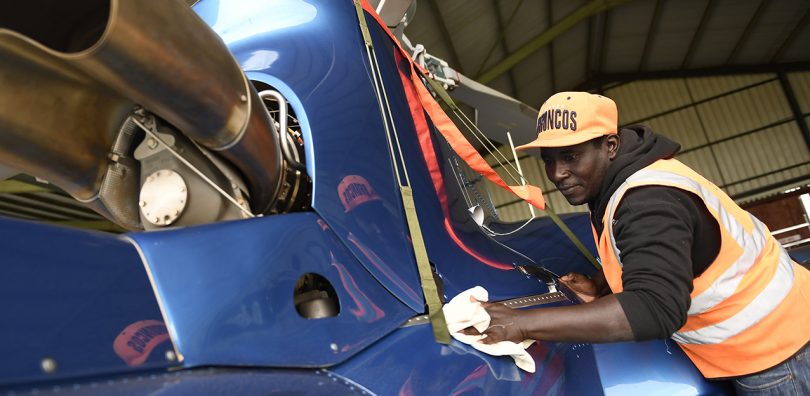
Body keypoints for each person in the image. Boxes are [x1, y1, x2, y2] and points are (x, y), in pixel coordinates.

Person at [462, 91, 810, 395]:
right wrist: (600, 283)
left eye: (570, 156)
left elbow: (655, 309)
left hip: (775, 349)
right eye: (549, 161)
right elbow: (658, 251)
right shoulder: (627, 180)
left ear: (609, 146)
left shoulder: (648, 200)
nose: (556, 174)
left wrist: (522, 323)